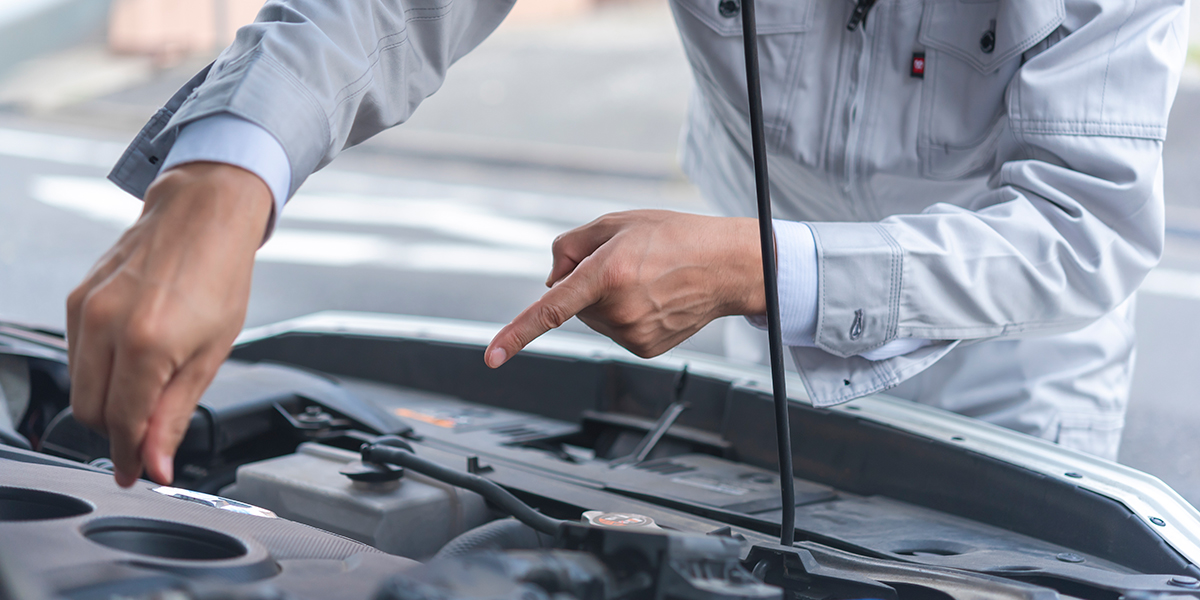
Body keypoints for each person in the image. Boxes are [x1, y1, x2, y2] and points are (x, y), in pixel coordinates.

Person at [67, 0, 1189, 487]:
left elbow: (1079, 223)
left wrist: (751, 267)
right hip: (767, 314)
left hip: (1013, 359)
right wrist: (218, 186)